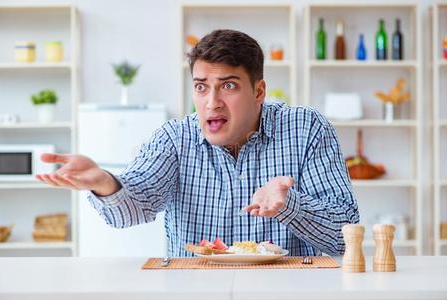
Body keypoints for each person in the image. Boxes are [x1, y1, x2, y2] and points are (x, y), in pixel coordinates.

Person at [36, 29, 359, 257]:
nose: (211, 102)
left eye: (228, 86)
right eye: (201, 87)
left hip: (288, 290)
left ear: (259, 91)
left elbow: (343, 238)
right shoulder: (174, 138)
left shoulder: (306, 128)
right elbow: (130, 212)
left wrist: (288, 206)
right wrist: (105, 183)